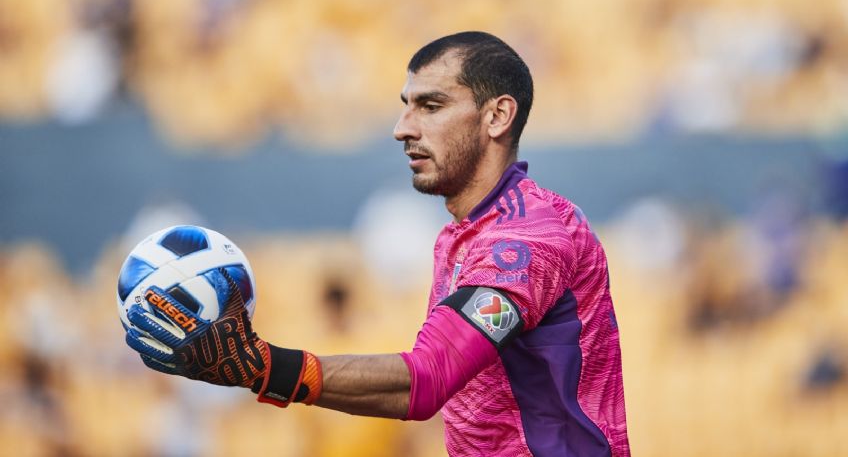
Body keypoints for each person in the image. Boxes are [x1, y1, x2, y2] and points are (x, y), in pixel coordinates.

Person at [125, 31, 630, 456]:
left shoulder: (524, 241)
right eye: (405, 107)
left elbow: (426, 379)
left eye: (431, 105)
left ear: (497, 117)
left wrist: (263, 368)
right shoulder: (469, 232)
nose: (401, 128)